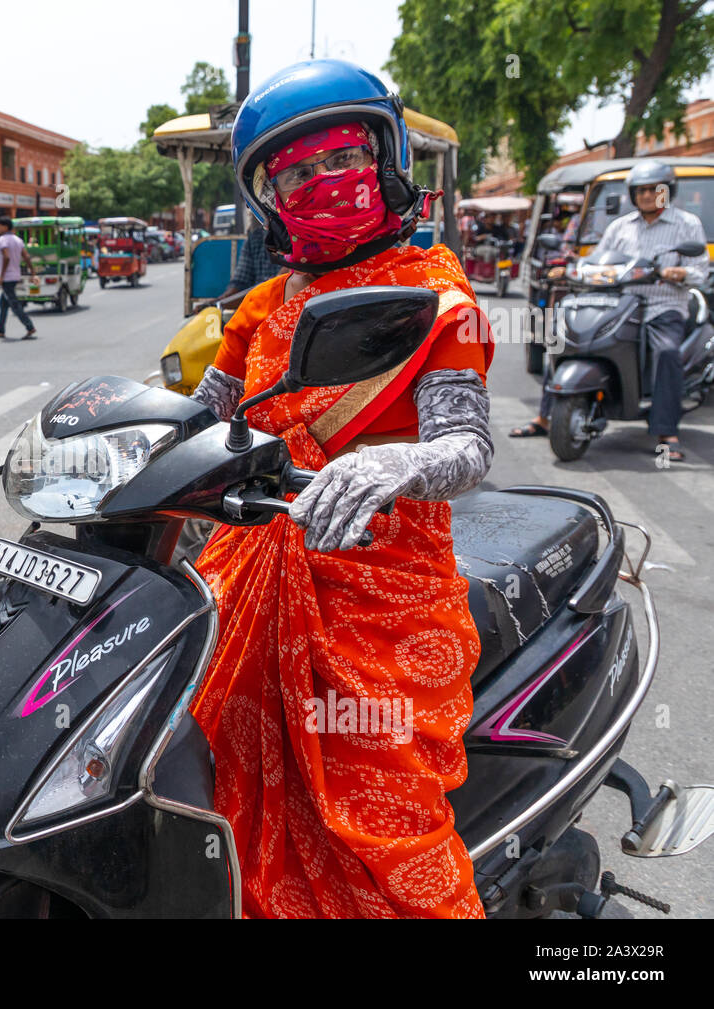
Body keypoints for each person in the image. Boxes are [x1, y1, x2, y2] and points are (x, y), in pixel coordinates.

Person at [186, 59, 495, 918]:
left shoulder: (439, 294)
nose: (322, 184)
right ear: (268, 199)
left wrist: (397, 465)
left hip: (381, 582)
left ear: (382, 159)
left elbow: (467, 444)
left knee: (387, 815)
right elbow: (195, 425)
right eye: (296, 173)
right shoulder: (258, 309)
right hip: (249, 560)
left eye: (338, 160)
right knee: (200, 763)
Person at [510, 160, 708, 461]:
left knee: (667, 352)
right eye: (640, 191)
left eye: (653, 190)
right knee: (566, 340)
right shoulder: (620, 227)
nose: (646, 196)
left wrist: (678, 273)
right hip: (620, 302)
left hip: (662, 305)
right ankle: (545, 417)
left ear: (667, 192)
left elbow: (700, 272)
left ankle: (667, 432)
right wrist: (574, 268)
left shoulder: (687, 224)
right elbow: (601, 259)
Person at [0, 216, 38, 340]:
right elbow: (27, 257)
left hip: (7, 277)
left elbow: (6, 257)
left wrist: (1, 276)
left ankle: (29, 326)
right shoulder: (18, 240)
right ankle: (0, 329)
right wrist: (33, 272)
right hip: (15, 275)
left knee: (14, 304)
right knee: (3, 303)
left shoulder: (2, 240)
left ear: (5, 226)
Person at [214, 219, 283, 302]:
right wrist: (218, 302)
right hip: (258, 304)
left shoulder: (299, 237)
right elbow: (240, 283)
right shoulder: (255, 238)